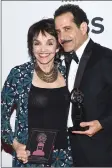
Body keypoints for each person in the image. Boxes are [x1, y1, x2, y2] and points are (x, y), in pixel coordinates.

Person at [54, 4, 112, 167]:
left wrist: (102, 123)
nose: (62, 37)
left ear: (83, 27)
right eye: (59, 32)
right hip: (75, 149)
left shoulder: (106, 58)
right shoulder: (64, 60)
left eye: (67, 28)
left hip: (105, 148)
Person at [1, 18, 73, 167]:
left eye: (49, 43)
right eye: (37, 43)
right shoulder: (19, 75)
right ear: (31, 47)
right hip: (29, 157)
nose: (43, 49)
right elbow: (1, 116)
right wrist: (15, 145)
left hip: (64, 157)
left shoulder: (68, 72)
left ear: (58, 46)